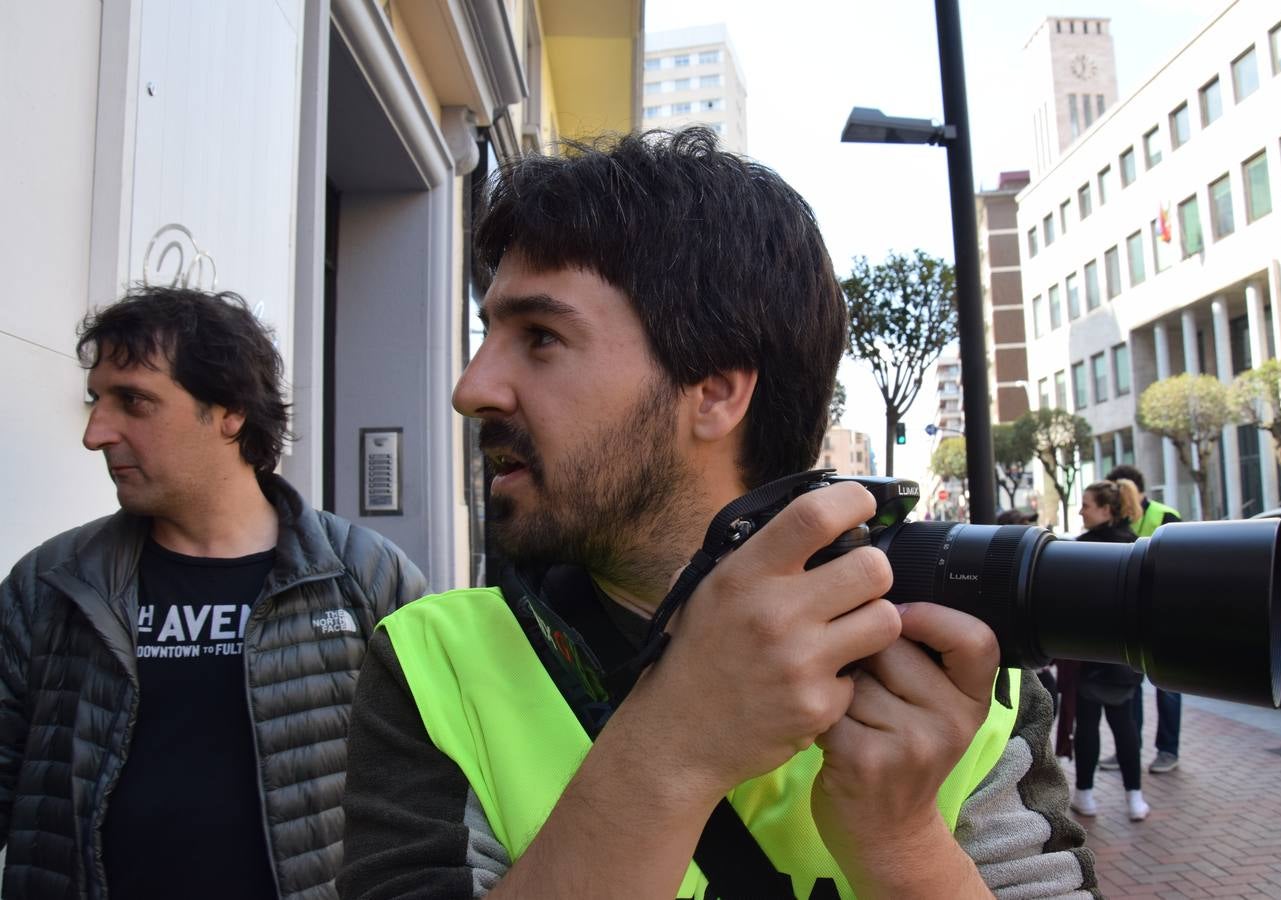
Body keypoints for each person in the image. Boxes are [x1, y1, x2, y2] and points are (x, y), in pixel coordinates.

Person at [338, 129, 1096, 898]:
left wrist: (899, 839)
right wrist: (673, 745)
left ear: (715, 392)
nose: (472, 388)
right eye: (487, 333)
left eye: (540, 336)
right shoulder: (437, 665)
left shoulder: (952, 675)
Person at [0, 287, 427, 900]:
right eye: (98, 400)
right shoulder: (52, 585)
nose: (96, 433)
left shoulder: (363, 578)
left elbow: (438, 789)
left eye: (134, 402)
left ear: (229, 410)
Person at [1070, 480, 1149, 823]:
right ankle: (1135, 798)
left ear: (1106, 509)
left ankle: (1085, 794)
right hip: (1127, 653)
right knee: (1125, 725)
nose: (1081, 510)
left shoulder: (1081, 548)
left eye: (1086, 505)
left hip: (1089, 654)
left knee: (1087, 725)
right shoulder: (1135, 544)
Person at [1104, 463, 1183, 774]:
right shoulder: (1119, 520)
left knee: (1168, 686)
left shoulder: (1164, 515)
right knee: (1130, 688)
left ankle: (1168, 749)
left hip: (1164, 616)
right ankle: (1129, 748)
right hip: (1131, 618)